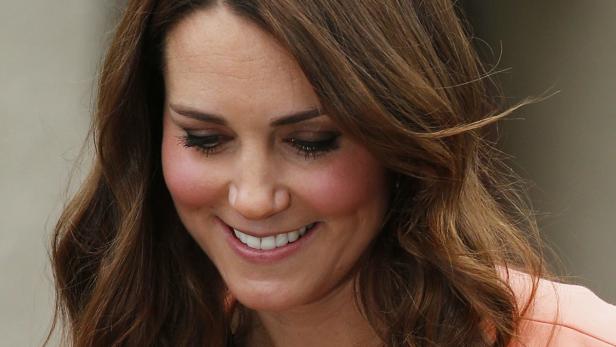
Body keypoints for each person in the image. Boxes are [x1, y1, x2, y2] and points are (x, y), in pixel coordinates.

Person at [49, 0, 616, 346]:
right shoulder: (145, 330)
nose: (253, 198)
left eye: (310, 142)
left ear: (400, 136)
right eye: (205, 139)